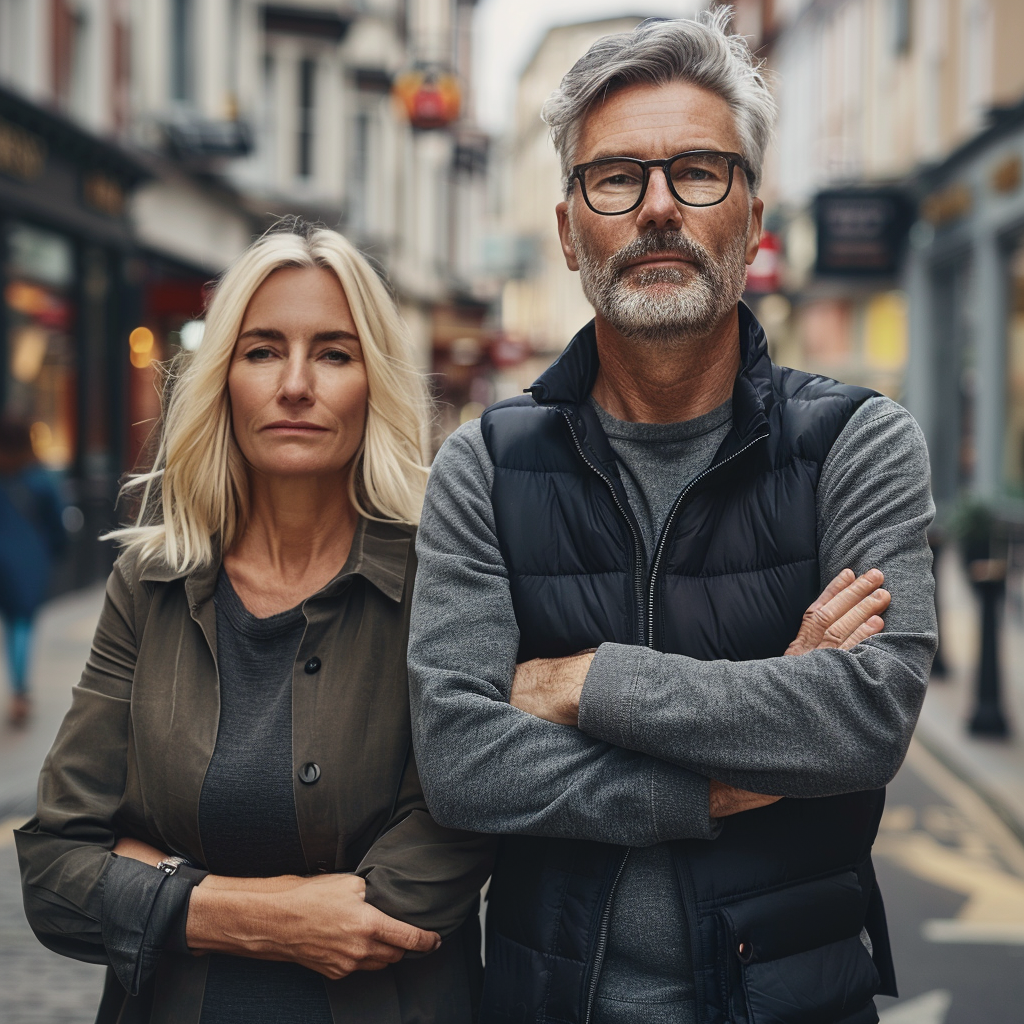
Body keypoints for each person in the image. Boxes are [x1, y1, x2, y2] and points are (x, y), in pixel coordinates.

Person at [408, 13, 936, 1024]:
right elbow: (462, 763)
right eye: (615, 178)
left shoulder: (858, 445)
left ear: (751, 218)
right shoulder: (483, 462)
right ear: (568, 229)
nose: (658, 208)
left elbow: (862, 720)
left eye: (698, 172)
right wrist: (721, 770)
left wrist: (580, 681)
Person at [16, 223, 493, 1024]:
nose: (297, 384)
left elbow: (436, 865)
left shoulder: (441, 579)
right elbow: (56, 872)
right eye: (263, 350)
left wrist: (163, 883)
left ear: (373, 382)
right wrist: (268, 918)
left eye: (335, 354)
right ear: (223, 378)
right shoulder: (151, 580)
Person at [0, 416, 65, 727]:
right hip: (29, 560)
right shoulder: (39, 478)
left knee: (12, 622)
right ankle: (21, 691)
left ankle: (19, 690)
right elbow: (57, 523)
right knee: (22, 623)